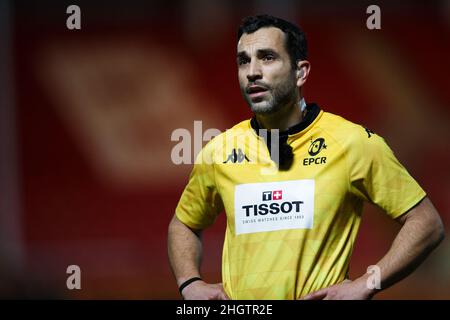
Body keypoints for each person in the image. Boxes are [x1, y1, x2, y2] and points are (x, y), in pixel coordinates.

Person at [167, 14, 444, 300]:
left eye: (267, 57)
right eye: (243, 60)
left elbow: (426, 223)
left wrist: (367, 284)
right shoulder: (220, 151)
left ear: (301, 72)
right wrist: (190, 283)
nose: (252, 71)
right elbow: (183, 224)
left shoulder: (353, 143)